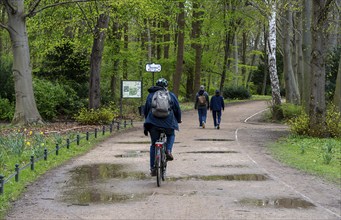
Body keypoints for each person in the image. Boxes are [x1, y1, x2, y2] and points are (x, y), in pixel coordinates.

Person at [143, 78, 182, 176]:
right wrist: (178, 119)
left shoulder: (151, 95)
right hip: (168, 122)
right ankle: (168, 150)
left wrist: (147, 121)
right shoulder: (170, 95)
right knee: (171, 135)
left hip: (153, 123)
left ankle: (153, 168)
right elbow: (177, 109)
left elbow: (146, 109)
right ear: (165, 86)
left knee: (153, 144)